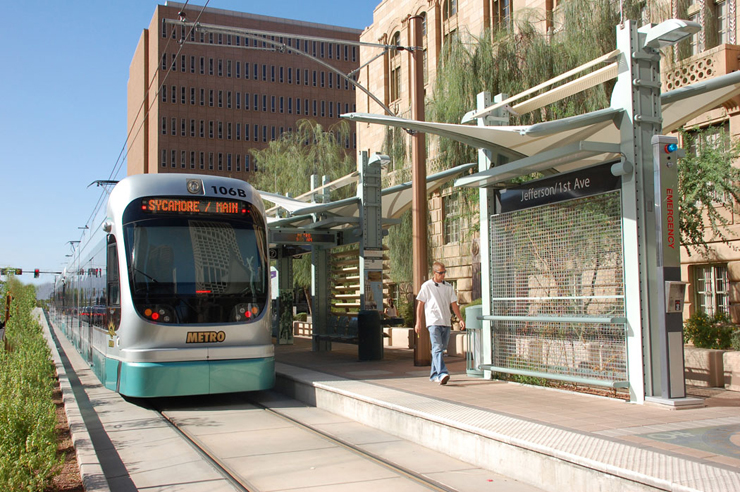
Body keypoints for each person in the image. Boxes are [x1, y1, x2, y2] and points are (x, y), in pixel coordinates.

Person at [415, 261, 465, 385]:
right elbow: (420, 304)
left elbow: (454, 304)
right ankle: (442, 373)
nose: (443, 275)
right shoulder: (426, 286)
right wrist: (418, 322)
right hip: (433, 321)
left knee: (441, 349)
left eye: (444, 273)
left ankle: (433, 374)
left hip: (446, 321)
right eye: (441, 273)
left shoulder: (448, 287)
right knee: (437, 348)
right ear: (434, 273)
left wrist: (460, 318)